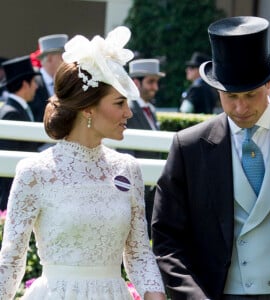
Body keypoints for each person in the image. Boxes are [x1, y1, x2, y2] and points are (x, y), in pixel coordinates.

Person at [0, 26, 166, 299]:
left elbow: (137, 251)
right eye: (119, 103)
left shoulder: (128, 168)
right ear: (88, 107)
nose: (128, 112)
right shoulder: (34, 172)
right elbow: (11, 261)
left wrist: (154, 293)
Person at [152, 16, 270, 300]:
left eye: (250, 94)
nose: (240, 107)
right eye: (230, 96)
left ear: (269, 85)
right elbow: (167, 237)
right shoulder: (189, 146)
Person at [125, 58, 165, 237]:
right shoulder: (128, 110)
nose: (155, 87)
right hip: (137, 188)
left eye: (156, 82)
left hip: (152, 189)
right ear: (135, 82)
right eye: (151, 81)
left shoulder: (151, 109)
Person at [0, 55, 40, 211]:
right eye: (34, 82)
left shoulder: (17, 109)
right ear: (25, 84)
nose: (36, 87)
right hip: (11, 197)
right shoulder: (11, 113)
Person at [29, 33, 68, 122]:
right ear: (50, 58)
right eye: (63, 57)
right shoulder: (32, 82)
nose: (66, 61)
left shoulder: (66, 81)